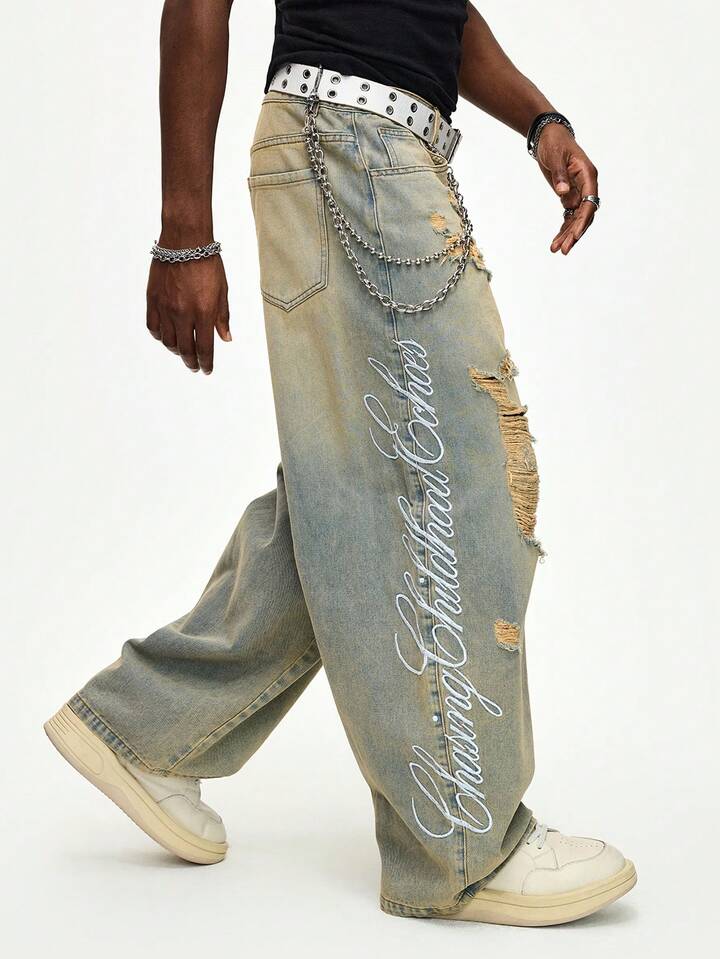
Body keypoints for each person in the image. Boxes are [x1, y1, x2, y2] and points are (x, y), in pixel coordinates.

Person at [44, 0, 636, 925]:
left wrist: (539, 119)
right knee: (451, 475)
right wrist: (183, 230)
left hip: (382, 150)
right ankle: (463, 846)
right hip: (351, 147)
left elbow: (438, 12)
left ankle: (145, 728)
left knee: (354, 481)